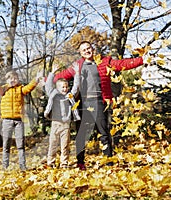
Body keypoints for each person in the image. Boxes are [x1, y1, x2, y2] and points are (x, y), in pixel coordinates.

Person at [54, 41, 146, 170]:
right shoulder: (77, 65)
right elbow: (61, 76)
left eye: (88, 48)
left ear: (93, 48)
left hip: (99, 102)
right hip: (82, 104)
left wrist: (141, 60)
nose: (86, 51)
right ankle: (80, 163)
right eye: (83, 50)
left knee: (103, 132)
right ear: (80, 53)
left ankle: (108, 162)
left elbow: (121, 64)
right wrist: (47, 80)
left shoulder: (104, 61)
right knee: (81, 134)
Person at [0, 65, 43, 171]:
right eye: (11, 78)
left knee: (20, 143)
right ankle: (5, 165)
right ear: (7, 80)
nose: (13, 80)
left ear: (18, 80)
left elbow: (29, 87)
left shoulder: (20, 89)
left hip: (18, 121)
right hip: (7, 120)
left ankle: (22, 165)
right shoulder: (3, 90)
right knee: (6, 143)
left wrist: (36, 79)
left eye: (15, 78)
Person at [44, 64, 80, 168]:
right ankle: (51, 162)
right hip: (55, 123)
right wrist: (52, 73)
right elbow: (48, 86)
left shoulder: (69, 96)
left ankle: (64, 163)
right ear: (57, 88)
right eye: (62, 87)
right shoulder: (53, 94)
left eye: (66, 87)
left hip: (66, 124)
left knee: (65, 145)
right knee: (53, 144)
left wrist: (77, 74)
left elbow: (76, 86)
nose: (65, 89)